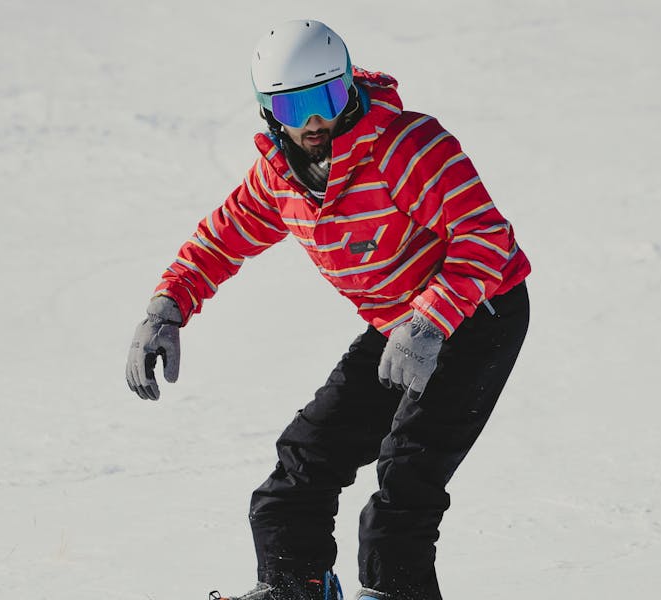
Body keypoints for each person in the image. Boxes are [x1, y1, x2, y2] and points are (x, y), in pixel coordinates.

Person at [126, 19, 531, 600]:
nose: (315, 120)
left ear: (348, 85)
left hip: (479, 315)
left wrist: (430, 319)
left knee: (405, 482)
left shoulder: (407, 147)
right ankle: (294, 588)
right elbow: (220, 240)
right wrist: (166, 308)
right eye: (295, 106)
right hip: (399, 323)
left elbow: (485, 237)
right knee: (301, 466)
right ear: (269, 110)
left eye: (329, 97)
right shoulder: (279, 179)